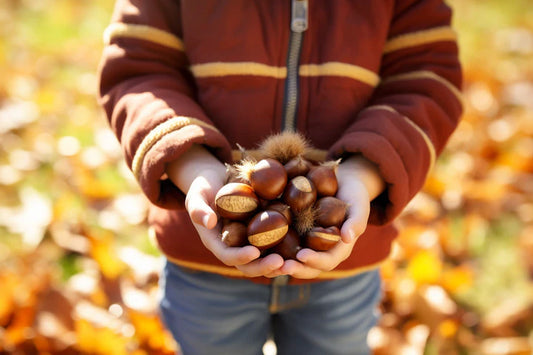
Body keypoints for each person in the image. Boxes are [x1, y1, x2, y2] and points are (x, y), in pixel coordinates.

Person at [97, 0, 463, 354]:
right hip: (203, 265)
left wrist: (363, 175)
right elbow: (139, 70)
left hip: (344, 267)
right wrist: (193, 167)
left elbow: (426, 80)